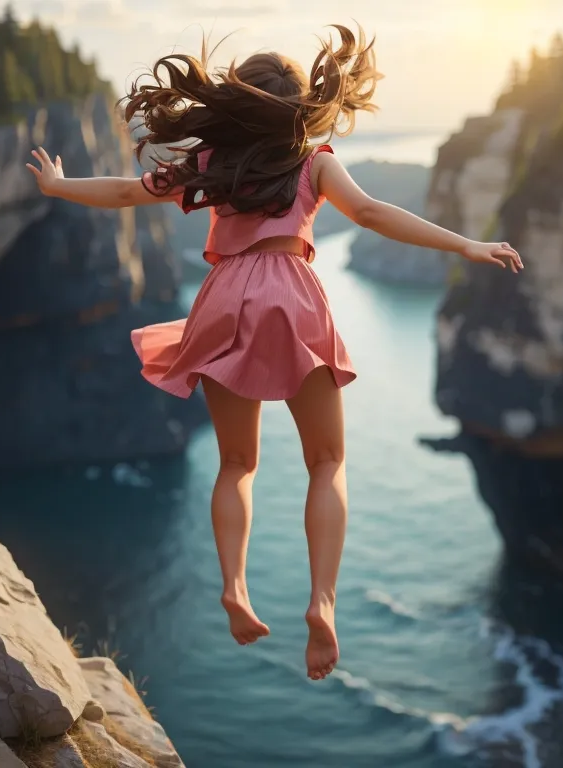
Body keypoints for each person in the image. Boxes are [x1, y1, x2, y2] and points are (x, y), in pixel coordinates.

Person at [25, 23, 522, 682]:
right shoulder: (314, 159)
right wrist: (465, 246)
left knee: (236, 464)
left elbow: (122, 192)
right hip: (290, 295)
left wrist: (59, 186)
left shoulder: (210, 164)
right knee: (328, 460)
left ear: (239, 103)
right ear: (299, 108)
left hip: (224, 298)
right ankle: (322, 602)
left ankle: (234, 586)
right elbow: (371, 214)